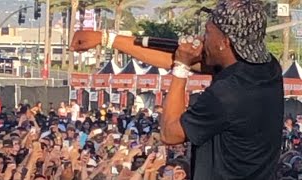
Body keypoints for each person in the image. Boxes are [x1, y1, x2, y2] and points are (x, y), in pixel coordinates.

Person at [70, 1, 283, 179]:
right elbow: (173, 58)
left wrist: (181, 69)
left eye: (208, 33)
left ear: (224, 42)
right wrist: (107, 39)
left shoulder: (228, 94)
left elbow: (170, 133)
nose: (202, 39)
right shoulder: (268, 69)